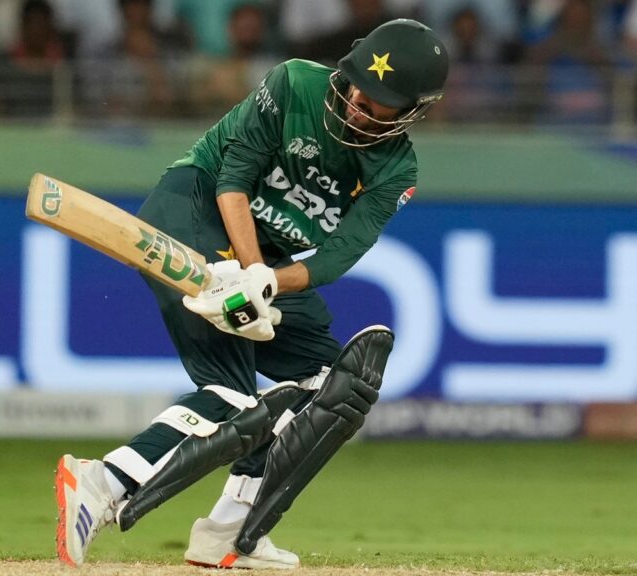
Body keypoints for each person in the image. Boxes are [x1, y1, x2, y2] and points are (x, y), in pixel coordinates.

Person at [54, 18, 448, 569]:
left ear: (411, 111)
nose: (358, 107)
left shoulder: (397, 170)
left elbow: (338, 255)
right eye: (358, 90)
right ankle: (100, 482)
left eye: (378, 106)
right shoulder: (295, 84)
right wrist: (251, 270)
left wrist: (263, 280)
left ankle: (229, 531)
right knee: (231, 396)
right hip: (194, 211)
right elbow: (233, 177)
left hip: (263, 263)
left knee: (330, 387)